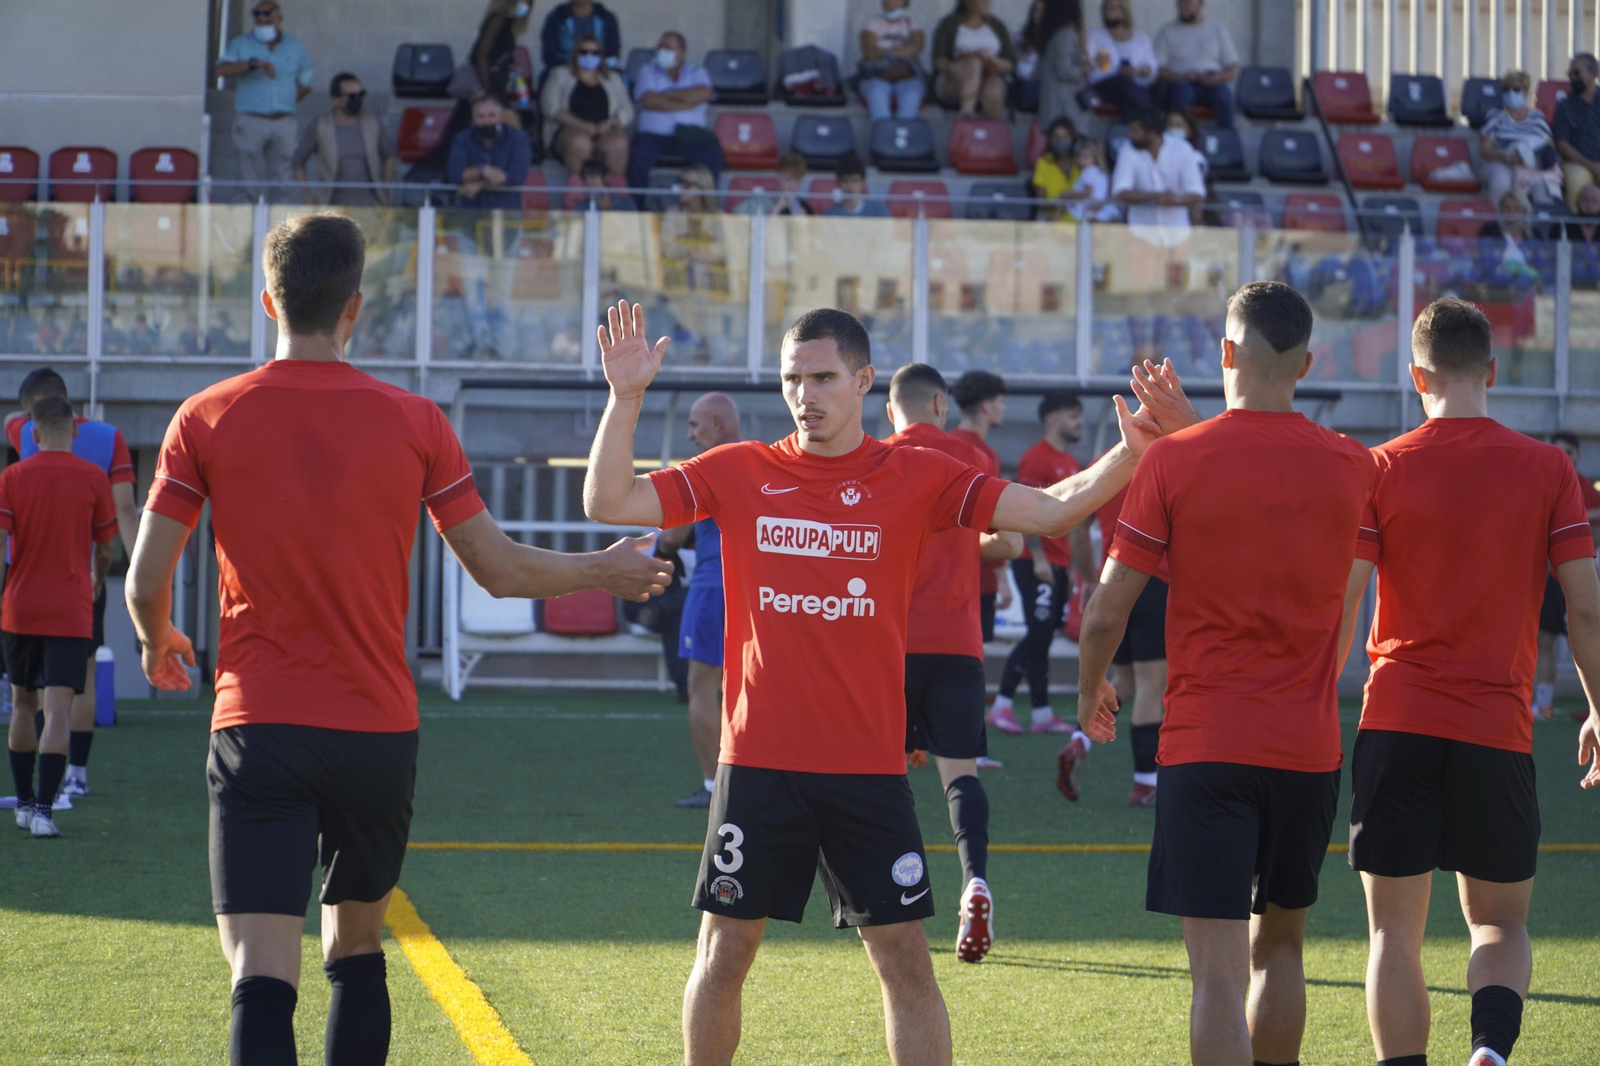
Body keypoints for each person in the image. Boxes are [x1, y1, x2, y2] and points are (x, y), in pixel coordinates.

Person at [582, 300, 1197, 1066]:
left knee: (904, 959)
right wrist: (626, 398)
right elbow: (608, 502)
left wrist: (1132, 450)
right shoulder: (740, 471)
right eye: (792, 379)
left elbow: (1045, 512)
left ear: (865, 380)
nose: (806, 395)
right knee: (725, 953)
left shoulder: (916, 474)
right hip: (760, 765)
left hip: (867, 769)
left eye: (825, 378)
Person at [123, 214, 671, 1066]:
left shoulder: (205, 417)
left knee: (263, 976)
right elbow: (495, 567)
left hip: (258, 726)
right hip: (377, 732)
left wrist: (158, 641)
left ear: (266, 300)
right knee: (357, 953)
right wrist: (598, 569)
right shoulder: (414, 419)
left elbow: (145, 581)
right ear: (356, 309)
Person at [1076, 281, 1376, 1066]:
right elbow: (1275, 480)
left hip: (1205, 746)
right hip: (1307, 751)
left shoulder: (1177, 459)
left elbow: (1107, 610)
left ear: (1225, 354)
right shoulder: (1353, 464)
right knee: (1280, 950)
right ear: (1306, 363)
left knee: (1215, 978)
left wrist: (1088, 687)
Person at [1346, 298, 1600, 1066]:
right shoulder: (1550, 467)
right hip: (1495, 728)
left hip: (1395, 720)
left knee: (1394, 932)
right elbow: (1584, 604)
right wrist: (1599, 706)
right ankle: (1489, 1050)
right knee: (1499, 925)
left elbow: (1341, 599)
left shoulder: (1380, 466)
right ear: (1491, 371)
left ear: (1416, 374)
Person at [885, 363, 1023, 964]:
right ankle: (974, 880)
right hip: (958, 643)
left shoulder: (874, 458)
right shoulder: (972, 458)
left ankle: (900, 890)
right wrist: (965, 546)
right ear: (940, 404)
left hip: (887, 644)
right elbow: (1012, 542)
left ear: (892, 409)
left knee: (882, 778)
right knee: (959, 775)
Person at [4, 369, 139, 800]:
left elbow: (14, 417)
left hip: (20, 589)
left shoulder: (21, 434)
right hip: (78, 587)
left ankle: (28, 798)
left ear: (34, 418)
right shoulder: (107, 441)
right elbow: (124, 512)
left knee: (26, 699)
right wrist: (135, 575)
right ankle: (72, 777)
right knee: (75, 683)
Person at [988, 391, 1098, 753]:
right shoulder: (1036, 459)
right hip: (1039, 563)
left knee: (1045, 636)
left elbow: (1075, 524)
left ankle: (1041, 713)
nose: (1078, 423)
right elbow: (1026, 512)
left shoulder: (1070, 461)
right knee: (1037, 635)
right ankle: (1002, 705)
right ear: (1052, 420)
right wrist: (1037, 560)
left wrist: (1074, 572)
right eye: (1073, 415)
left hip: (1059, 563)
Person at [655, 392, 741, 809]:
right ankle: (756, 782)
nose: (690, 435)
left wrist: (662, 550)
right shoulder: (760, 461)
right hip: (757, 592)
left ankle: (714, 787)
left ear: (717, 425)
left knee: (701, 688)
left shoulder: (704, 468)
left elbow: (671, 534)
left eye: (694, 425)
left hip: (712, 588)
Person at [1087, 475, 1167, 807]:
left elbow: (1075, 526)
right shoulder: (1167, 462)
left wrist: (1090, 578)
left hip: (1112, 581)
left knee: (1125, 679)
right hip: (1153, 580)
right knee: (1152, 685)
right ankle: (1146, 782)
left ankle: (1080, 739)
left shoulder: (1105, 465)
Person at [216, 1, 314, 202]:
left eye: (267, 17)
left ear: (279, 20)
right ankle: (243, 231)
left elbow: (305, 84)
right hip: (251, 120)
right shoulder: (242, 43)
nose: (261, 21)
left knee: (283, 182)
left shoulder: (295, 47)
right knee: (247, 181)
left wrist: (283, 102)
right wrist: (251, 64)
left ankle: (281, 231)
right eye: (257, 17)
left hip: (283, 121)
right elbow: (221, 69)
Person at [1533, 430, 1600, 720]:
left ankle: (1594, 707)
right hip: (1549, 579)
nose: (1563, 459)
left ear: (1578, 456)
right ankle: (1543, 706)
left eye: (1568, 453)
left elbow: (1592, 537)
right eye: (1557, 452)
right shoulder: (1540, 487)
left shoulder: (1588, 491)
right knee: (1543, 640)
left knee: (1586, 642)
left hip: (1578, 581)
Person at [949, 370, 1009, 643]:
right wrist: (1003, 579)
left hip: (938, 574)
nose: (1003, 407)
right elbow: (991, 519)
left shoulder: (941, 447)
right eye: (1000, 401)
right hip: (977, 579)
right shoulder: (984, 455)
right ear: (986, 406)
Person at [628, 33, 724, 198]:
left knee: (711, 157)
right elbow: (649, 99)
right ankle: (638, 211)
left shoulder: (697, 72)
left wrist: (668, 93)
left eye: (667, 48)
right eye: (660, 48)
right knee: (637, 159)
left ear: (682, 53)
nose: (661, 52)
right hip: (653, 136)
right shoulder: (647, 71)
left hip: (691, 134)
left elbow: (704, 93)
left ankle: (706, 208)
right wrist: (687, 103)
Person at [292, 73, 394, 207]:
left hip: (371, 205)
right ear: (335, 99)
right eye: (351, 96)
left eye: (360, 95)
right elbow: (298, 161)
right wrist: (308, 199)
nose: (356, 99)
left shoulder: (373, 122)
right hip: (330, 205)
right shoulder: (321, 125)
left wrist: (386, 192)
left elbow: (389, 155)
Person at [540, 33, 633, 176]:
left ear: (601, 56)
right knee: (580, 142)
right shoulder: (559, 74)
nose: (589, 56)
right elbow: (550, 108)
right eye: (584, 52)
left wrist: (610, 123)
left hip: (604, 130)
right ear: (575, 54)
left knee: (619, 144)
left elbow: (628, 110)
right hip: (569, 130)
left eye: (595, 53)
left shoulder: (613, 78)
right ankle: (578, 194)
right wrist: (581, 125)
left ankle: (615, 194)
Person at [1112, 107, 1206, 238]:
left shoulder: (1183, 149)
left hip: (1177, 235)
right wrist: (1155, 197)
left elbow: (1197, 193)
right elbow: (1120, 192)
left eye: (1135, 131)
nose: (1130, 135)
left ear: (1152, 132)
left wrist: (1175, 200)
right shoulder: (1127, 149)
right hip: (1140, 234)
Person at [1479, 70, 1562, 206]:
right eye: (1506, 89)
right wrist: (1507, 157)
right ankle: (1497, 222)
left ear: (1525, 92)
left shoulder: (1537, 118)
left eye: (1516, 89)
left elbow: (1550, 147)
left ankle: (1542, 225)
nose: (1511, 93)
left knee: (1543, 187)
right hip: (1501, 163)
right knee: (1501, 179)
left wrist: (1530, 157)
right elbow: (1485, 151)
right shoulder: (1495, 116)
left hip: (1531, 166)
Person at [1152, 0, 1239, 129]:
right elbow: (1157, 69)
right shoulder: (1167, 30)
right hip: (1180, 83)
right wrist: (1182, 77)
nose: (1183, 6)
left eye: (1188, 2)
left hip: (1212, 83)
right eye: (1180, 2)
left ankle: (1225, 142)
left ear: (1201, 4)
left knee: (1224, 97)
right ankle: (1177, 142)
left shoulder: (1217, 30)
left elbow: (1232, 68)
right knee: (1181, 94)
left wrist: (1218, 78)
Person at [446, 93, 533, 210]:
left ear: (501, 116)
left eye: (491, 115)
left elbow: (514, 177)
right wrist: (481, 171)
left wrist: (480, 185)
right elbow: (456, 174)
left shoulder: (518, 138)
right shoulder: (462, 139)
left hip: (506, 212)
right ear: (473, 119)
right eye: (480, 117)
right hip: (470, 211)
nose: (486, 121)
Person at [932, 0, 1017, 119]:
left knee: (994, 87)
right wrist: (961, 66)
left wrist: (991, 61)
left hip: (989, 74)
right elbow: (939, 61)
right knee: (973, 64)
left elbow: (1010, 63)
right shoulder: (948, 24)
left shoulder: (996, 25)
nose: (987, 3)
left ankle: (990, 132)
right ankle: (966, 114)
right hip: (954, 78)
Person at [1085, 0, 1157, 120]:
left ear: (1124, 11)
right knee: (1124, 82)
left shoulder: (1141, 38)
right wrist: (1116, 70)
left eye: (1113, 8)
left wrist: (1139, 71)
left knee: (1131, 95)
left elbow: (1152, 66)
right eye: (1106, 8)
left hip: (1134, 86)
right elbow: (1088, 63)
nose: (1109, 12)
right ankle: (1149, 122)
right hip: (1103, 86)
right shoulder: (1094, 36)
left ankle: (1127, 131)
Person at [859, 0, 928, 121]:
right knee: (876, 94)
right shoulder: (873, 24)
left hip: (906, 78)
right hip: (878, 77)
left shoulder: (912, 24)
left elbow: (916, 48)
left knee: (912, 95)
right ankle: (883, 136)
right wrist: (902, 52)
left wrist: (887, 52)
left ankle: (903, 133)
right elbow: (870, 52)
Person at [1035, 0, 1091, 131]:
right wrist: (1087, 67)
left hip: (1055, 107)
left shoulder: (1051, 35)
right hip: (1064, 109)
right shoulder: (1065, 35)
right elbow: (1065, 70)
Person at [1554, 54, 1600, 212]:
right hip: (1579, 164)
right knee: (1576, 178)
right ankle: (1577, 230)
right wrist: (1593, 167)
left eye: (1576, 73)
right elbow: (1561, 143)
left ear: (1593, 73)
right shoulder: (1565, 105)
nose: (1572, 78)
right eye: (1570, 74)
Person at [468, 0, 534, 109]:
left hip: (497, 83)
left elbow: (498, 52)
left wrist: (509, 64)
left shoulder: (510, 25)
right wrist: (487, 87)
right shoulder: (498, 19)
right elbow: (481, 53)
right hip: (486, 83)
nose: (525, 6)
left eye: (528, 3)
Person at [540, 0, 622, 73]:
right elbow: (549, 55)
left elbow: (613, 53)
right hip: (566, 72)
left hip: (600, 73)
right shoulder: (556, 18)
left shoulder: (607, 18)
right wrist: (575, 70)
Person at [1030, 118, 1082, 220]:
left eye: (1065, 136)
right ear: (1050, 139)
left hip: (1082, 228)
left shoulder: (1082, 162)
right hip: (1054, 225)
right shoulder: (1044, 162)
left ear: (1073, 138)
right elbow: (1040, 203)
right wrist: (1062, 202)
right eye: (1056, 136)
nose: (1060, 140)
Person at [734, 153, 813, 216]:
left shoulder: (804, 208)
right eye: (787, 179)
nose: (792, 185)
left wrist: (803, 224)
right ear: (778, 176)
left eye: (797, 180)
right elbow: (735, 219)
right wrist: (777, 208)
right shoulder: (758, 202)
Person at [1061, 138, 1120, 222]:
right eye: (1079, 156)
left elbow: (1088, 192)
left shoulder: (1088, 171)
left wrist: (1070, 194)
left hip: (1090, 209)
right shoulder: (1103, 173)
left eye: (1085, 157)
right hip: (1102, 209)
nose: (1080, 160)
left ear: (1095, 158)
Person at [823, 156, 891, 218]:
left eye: (854, 181)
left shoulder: (879, 211)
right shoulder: (831, 215)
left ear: (863, 183)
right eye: (845, 181)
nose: (850, 186)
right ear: (838, 183)